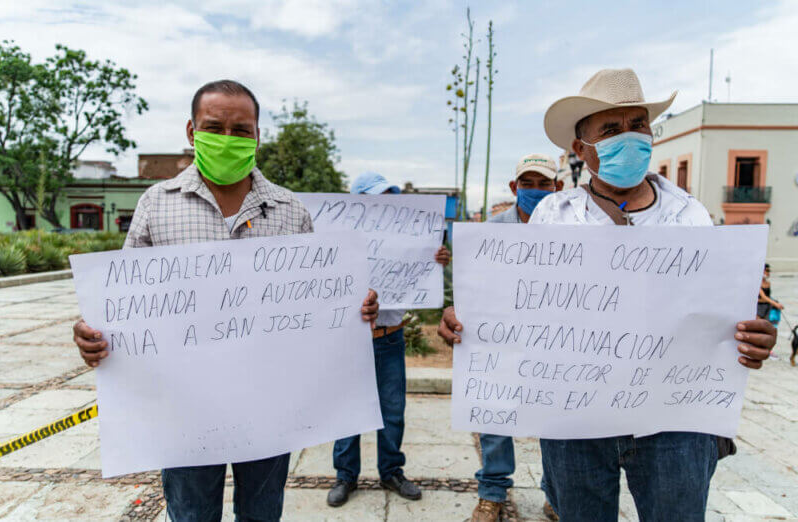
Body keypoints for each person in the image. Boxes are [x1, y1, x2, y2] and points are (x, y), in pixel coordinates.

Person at [438, 68, 777, 521]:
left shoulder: (691, 217)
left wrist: (752, 337)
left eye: (638, 124)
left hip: (674, 424)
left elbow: (717, 317)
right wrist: (469, 321)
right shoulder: (552, 219)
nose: (630, 137)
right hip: (575, 421)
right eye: (612, 130)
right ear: (581, 149)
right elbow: (515, 308)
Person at [72, 80, 379, 522]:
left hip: (270, 404)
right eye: (215, 127)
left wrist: (355, 309)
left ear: (257, 136)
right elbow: (122, 302)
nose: (228, 139)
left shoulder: (290, 210)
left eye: (241, 130)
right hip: (183, 409)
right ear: (192, 131)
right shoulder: (156, 205)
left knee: (262, 513)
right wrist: (92, 333)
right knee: (192, 513)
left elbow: (316, 305)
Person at [326, 172, 451, 507]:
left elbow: (425, 273)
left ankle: (392, 470)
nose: (383, 205)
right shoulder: (336, 242)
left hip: (390, 339)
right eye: (374, 198)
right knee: (347, 409)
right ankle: (345, 475)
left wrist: (436, 259)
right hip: (348, 340)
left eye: (388, 197)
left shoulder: (405, 238)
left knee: (393, 410)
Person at [470, 153, 562, 522]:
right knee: (495, 418)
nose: (536, 190)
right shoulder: (490, 232)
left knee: (555, 423)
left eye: (544, 184)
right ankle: (491, 493)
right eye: (529, 183)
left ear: (557, 188)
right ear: (514, 187)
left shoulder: (573, 232)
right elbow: (473, 287)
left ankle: (556, 494)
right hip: (501, 341)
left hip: (554, 343)